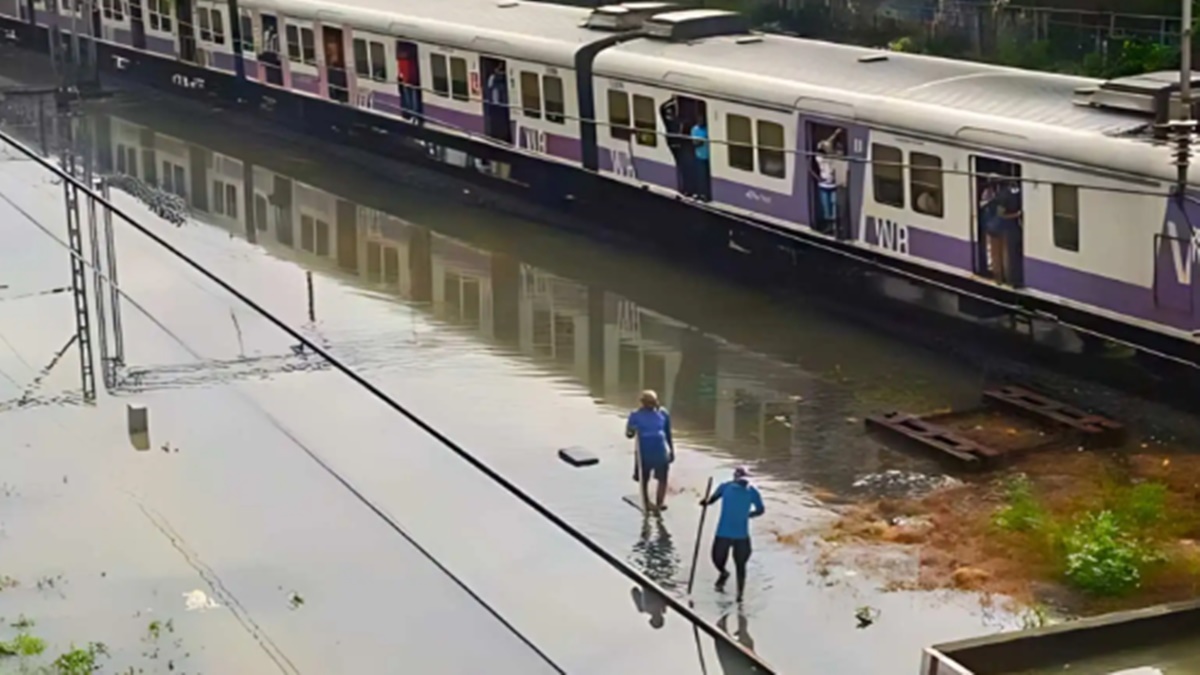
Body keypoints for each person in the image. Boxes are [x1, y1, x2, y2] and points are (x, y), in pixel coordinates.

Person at [701, 466, 764, 602]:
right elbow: (712, 500)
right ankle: (724, 573)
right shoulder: (725, 487)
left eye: (745, 480)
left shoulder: (752, 492)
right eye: (740, 480)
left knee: (741, 566)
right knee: (717, 559)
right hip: (723, 532)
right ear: (735, 478)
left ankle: (740, 594)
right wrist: (705, 502)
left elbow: (760, 510)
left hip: (741, 535)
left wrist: (748, 515)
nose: (743, 483)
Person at [626, 390, 674, 512]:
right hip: (644, 452)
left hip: (660, 451)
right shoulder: (635, 415)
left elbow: (668, 433)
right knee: (644, 478)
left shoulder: (663, 413)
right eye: (648, 402)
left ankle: (660, 503)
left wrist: (672, 450)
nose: (651, 405)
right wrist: (632, 430)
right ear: (642, 403)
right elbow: (629, 434)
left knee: (662, 478)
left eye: (652, 402)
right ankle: (646, 502)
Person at [691, 119, 710, 202]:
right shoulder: (694, 129)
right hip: (699, 156)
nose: (701, 121)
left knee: (707, 178)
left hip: (709, 157)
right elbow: (695, 143)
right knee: (700, 176)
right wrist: (703, 140)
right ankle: (700, 194)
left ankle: (706, 195)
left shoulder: (707, 129)